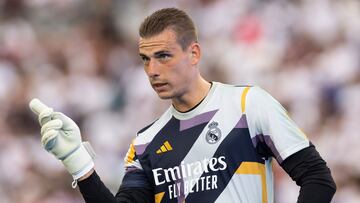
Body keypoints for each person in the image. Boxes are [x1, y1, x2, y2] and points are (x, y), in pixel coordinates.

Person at [29, 7, 336, 203]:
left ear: (194, 54)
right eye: (145, 60)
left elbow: (318, 179)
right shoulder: (145, 142)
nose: (152, 70)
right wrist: (79, 165)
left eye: (163, 56)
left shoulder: (248, 104)